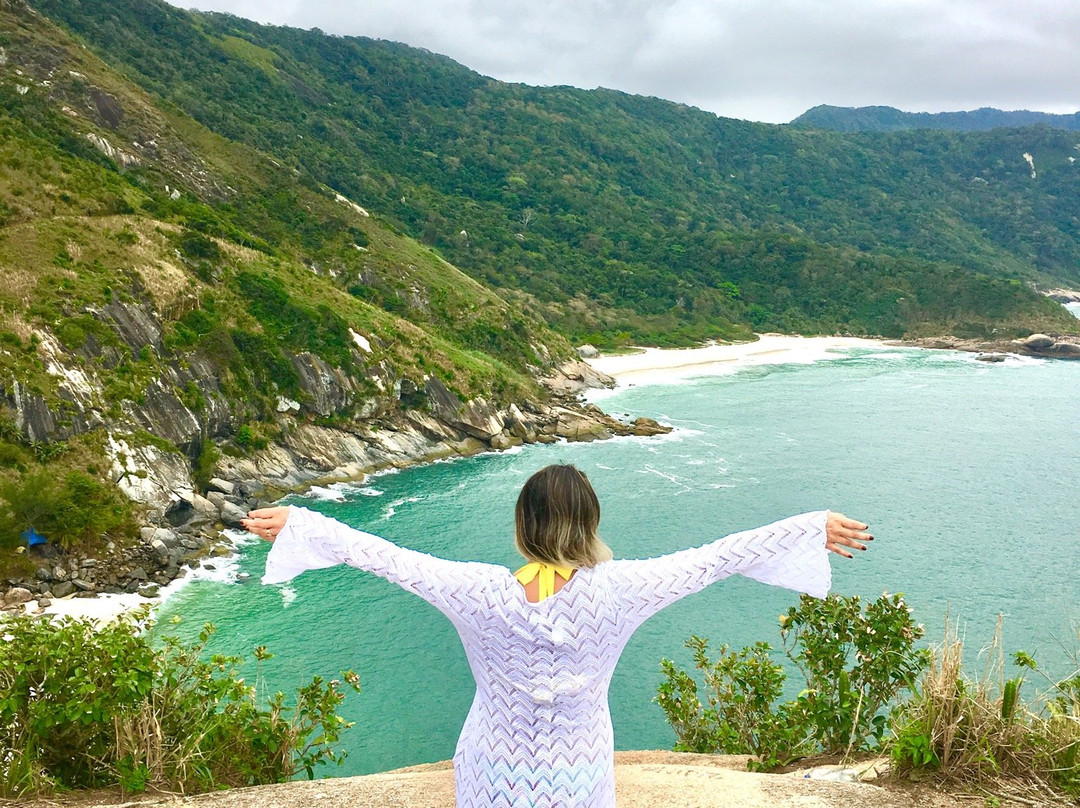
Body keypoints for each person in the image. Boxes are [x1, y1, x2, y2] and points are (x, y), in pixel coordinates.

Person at [243, 464, 872, 808]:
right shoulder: (622, 589)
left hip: (492, 770)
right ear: (592, 523)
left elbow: (386, 557)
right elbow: (716, 558)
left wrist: (302, 523)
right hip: (579, 772)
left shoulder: (477, 590)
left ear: (522, 525)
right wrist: (807, 527)